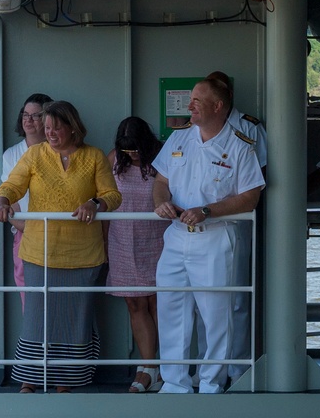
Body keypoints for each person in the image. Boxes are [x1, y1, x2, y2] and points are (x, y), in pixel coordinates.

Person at [0, 101, 122, 393]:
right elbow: (13, 185)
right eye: (46, 127)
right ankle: (31, 378)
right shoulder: (35, 155)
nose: (49, 132)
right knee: (37, 320)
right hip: (40, 251)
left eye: (55, 127)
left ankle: (67, 379)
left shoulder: (94, 156)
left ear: (72, 127)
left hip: (83, 255)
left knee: (74, 320)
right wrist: (1, 200)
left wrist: (95, 203)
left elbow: (113, 195)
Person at [152, 78, 265, 394]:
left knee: (217, 316)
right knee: (171, 308)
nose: (189, 105)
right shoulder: (179, 139)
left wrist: (208, 210)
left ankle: (211, 384)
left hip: (215, 236)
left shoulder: (240, 145)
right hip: (176, 236)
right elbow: (161, 180)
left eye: (197, 100)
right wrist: (161, 202)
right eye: (190, 99)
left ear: (218, 106)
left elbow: (250, 196)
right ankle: (175, 384)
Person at [205, 71, 268, 384]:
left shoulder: (248, 126)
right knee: (204, 299)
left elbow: (262, 172)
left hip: (235, 220)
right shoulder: (192, 130)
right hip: (198, 226)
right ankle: (208, 370)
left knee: (237, 299)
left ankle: (238, 369)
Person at [104, 117, 168, 392]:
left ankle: (164, 367)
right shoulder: (113, 159)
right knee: (134, 303)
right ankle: (149, 365)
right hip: (121, 242)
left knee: (159, 304)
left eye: (136, 150)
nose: (131, 155)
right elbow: (105, 200)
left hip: (157, 240)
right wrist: (103, 243)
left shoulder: (163, 157)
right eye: (127, 151)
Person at [3, 93, 53, 307]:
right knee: (29, 293)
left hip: (57, 232)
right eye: (25, 115)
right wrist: (27, 228)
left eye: (36, 115)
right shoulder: (12, 155)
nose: (29, 120)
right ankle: (34, 340)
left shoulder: (59, 151)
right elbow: (9, 198)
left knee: (57, 292)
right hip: (24, 233)